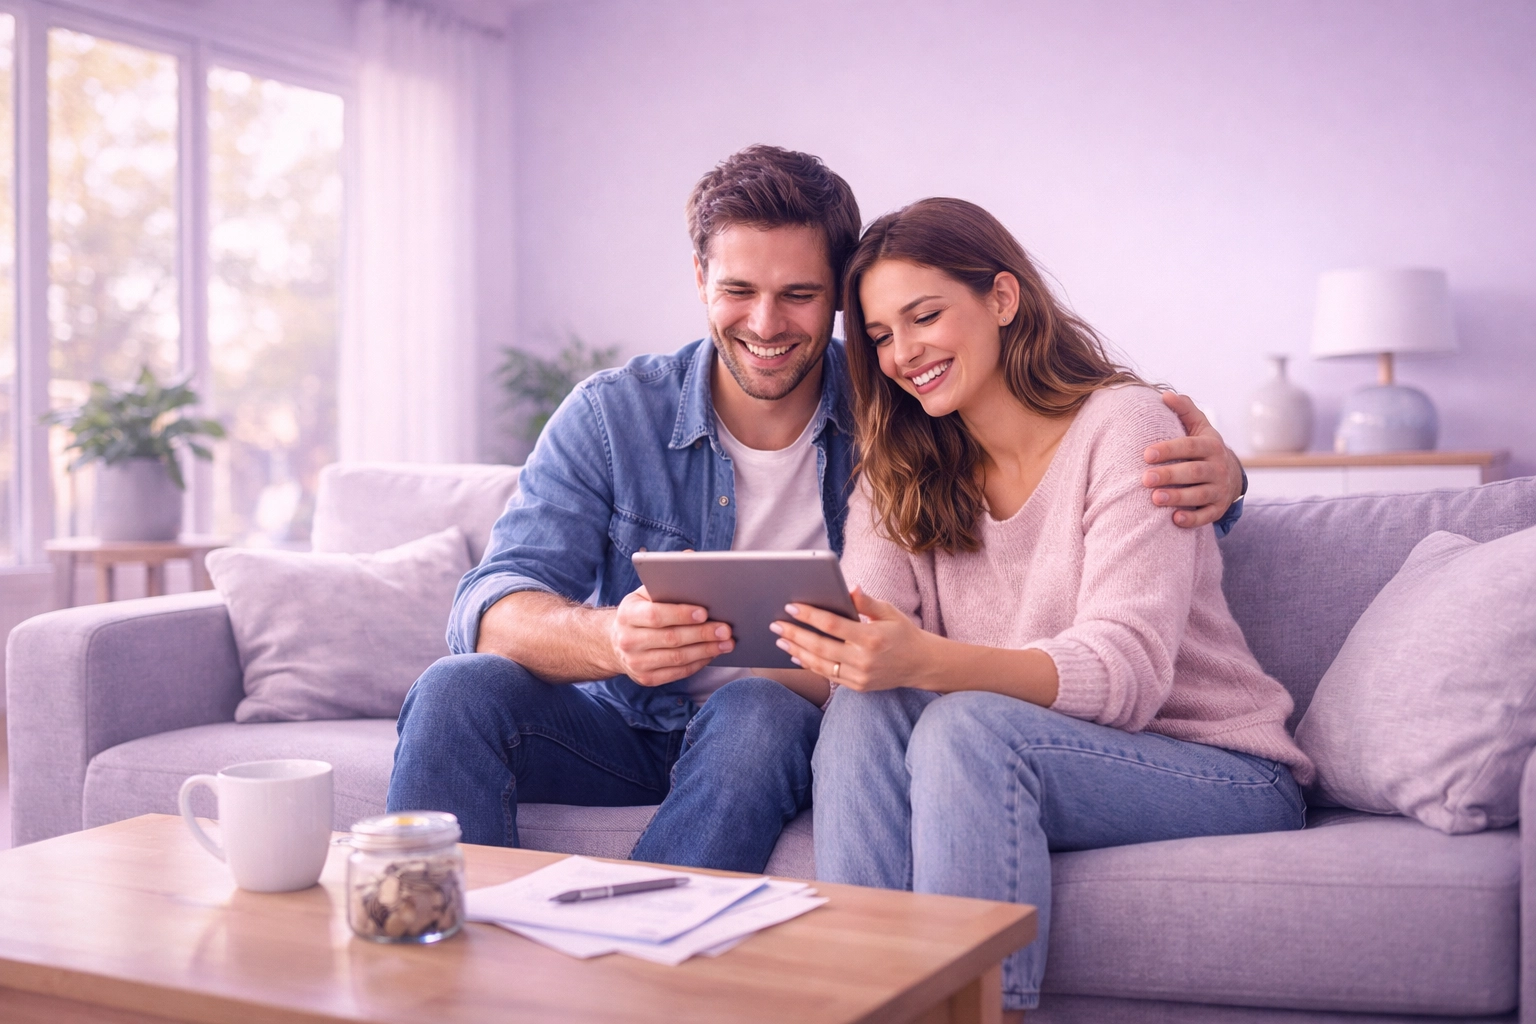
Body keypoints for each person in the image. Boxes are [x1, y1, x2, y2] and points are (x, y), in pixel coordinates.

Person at [387, 148, 1248, 873]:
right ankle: (444, 973)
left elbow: (1077, 474)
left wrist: (1226, 482)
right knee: (457, 688)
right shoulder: (618, 417)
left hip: (777, 725)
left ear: (838, 295)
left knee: (760, 709)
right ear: (699, 280)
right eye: (738, 290)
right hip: (625, 721)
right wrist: (611, 637)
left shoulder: (895, 413)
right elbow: (489, 607)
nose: (765, 323)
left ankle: (645, 964)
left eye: (799, 295)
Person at [773, 198, 1313, 1012]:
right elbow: (869, 627)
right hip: (1034, 749)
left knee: (967, 726)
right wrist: (789, 642)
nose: (903, 353)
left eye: (925, 317)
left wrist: (924, 660)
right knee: (862, 711)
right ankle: (866, 1001)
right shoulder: (902, 465)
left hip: (1217, 762)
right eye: (881, 336)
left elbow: (1124, 673)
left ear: (1001, 298)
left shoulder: (1125, 427)